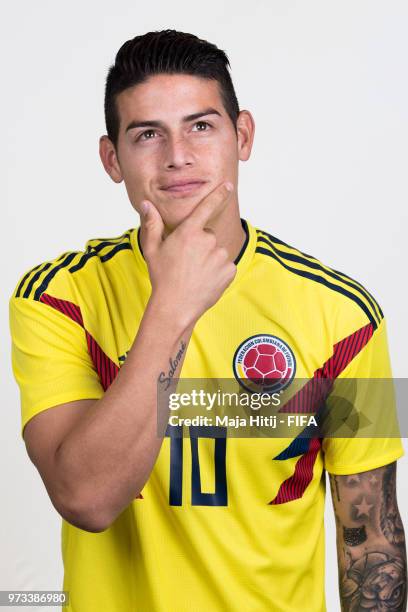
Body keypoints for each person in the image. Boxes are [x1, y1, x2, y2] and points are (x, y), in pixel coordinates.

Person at [9, 29, 406, 612]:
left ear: (241, 135)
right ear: (111, 158)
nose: (177, 156)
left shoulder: (346, 315)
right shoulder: (56, 297)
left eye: (201, 125)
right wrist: (173, 304)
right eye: (148, 134)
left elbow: (371, 541)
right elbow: (87, 499)